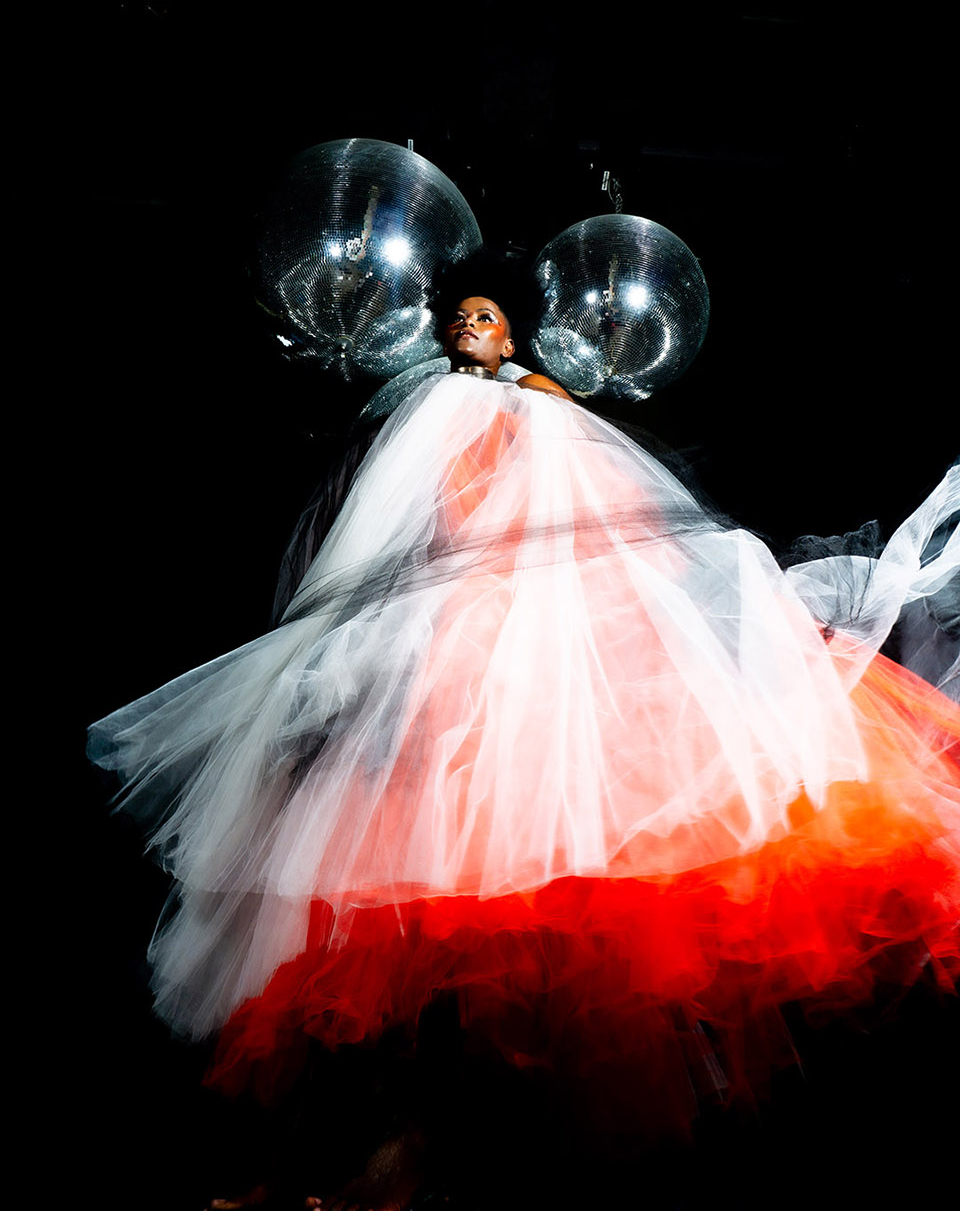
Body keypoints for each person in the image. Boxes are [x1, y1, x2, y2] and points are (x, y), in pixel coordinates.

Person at [90, 253, 960, 1209]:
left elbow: (593, 499)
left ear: (511, 335)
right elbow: (378, 527)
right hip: (425, 644)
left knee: (465, 931)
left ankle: (399, 1164)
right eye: (459, 317)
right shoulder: (416, 406)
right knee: (372, 936)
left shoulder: (529, 402)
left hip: (502, 643)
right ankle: (329, 1161)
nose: (469, 327)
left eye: (486, 317)